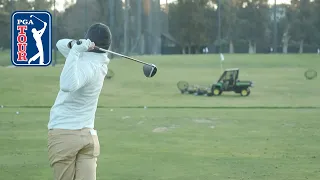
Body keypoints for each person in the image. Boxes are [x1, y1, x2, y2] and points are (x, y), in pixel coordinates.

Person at [47, 23, 112, 180]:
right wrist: (74, 44)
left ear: (89, 41)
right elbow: (60, 44)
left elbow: (67, 85)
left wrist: (76, 50)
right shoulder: (98, 61)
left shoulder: (88, 65)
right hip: (88, 137)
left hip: (64, 135)